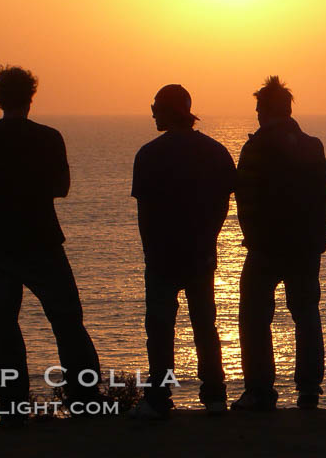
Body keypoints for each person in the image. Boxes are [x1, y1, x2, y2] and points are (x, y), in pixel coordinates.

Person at [0, 65, 102, 428]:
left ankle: (12, 411)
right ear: (31, 97)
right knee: (68, 323)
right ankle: (86, 401)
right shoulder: (48, 138)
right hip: (42, 239)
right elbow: (62, 188)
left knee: (3, 329)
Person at [128, 84, 235, 419]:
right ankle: (215, 396)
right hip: (200, 253)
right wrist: (208, 241)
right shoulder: (216, 152)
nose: (152, 111)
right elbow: (223, 205)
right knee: (205, 326)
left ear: (169, 110)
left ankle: (159, 400)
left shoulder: (148, 154)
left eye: (156, 105)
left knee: (160, 329)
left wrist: (151, 252)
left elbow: (144, 211)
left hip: (161, 255)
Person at [232, 76, 326, 411]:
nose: (257, 115)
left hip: (266, 248)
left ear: (266, 109)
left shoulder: (256, 147)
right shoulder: (312, 145)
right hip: (304, 246)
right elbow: (324, 199)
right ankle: (308, 390)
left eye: (259, 108)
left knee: (254, 316)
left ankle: (260, 390)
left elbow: (244, 197)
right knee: (305, 314)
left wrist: (254, 238)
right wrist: (318, 239)